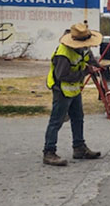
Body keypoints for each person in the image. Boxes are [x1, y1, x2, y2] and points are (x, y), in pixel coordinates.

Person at [43, 23, 103, 166]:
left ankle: (79, 148)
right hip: (61, 90)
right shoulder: (63, 54)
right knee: (56, 121)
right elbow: (62, 75)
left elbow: (89, 58)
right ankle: (49, 152)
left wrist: (99, 67)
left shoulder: (84, 48)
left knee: (78, 118)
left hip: (74, 88)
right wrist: (84, 72)